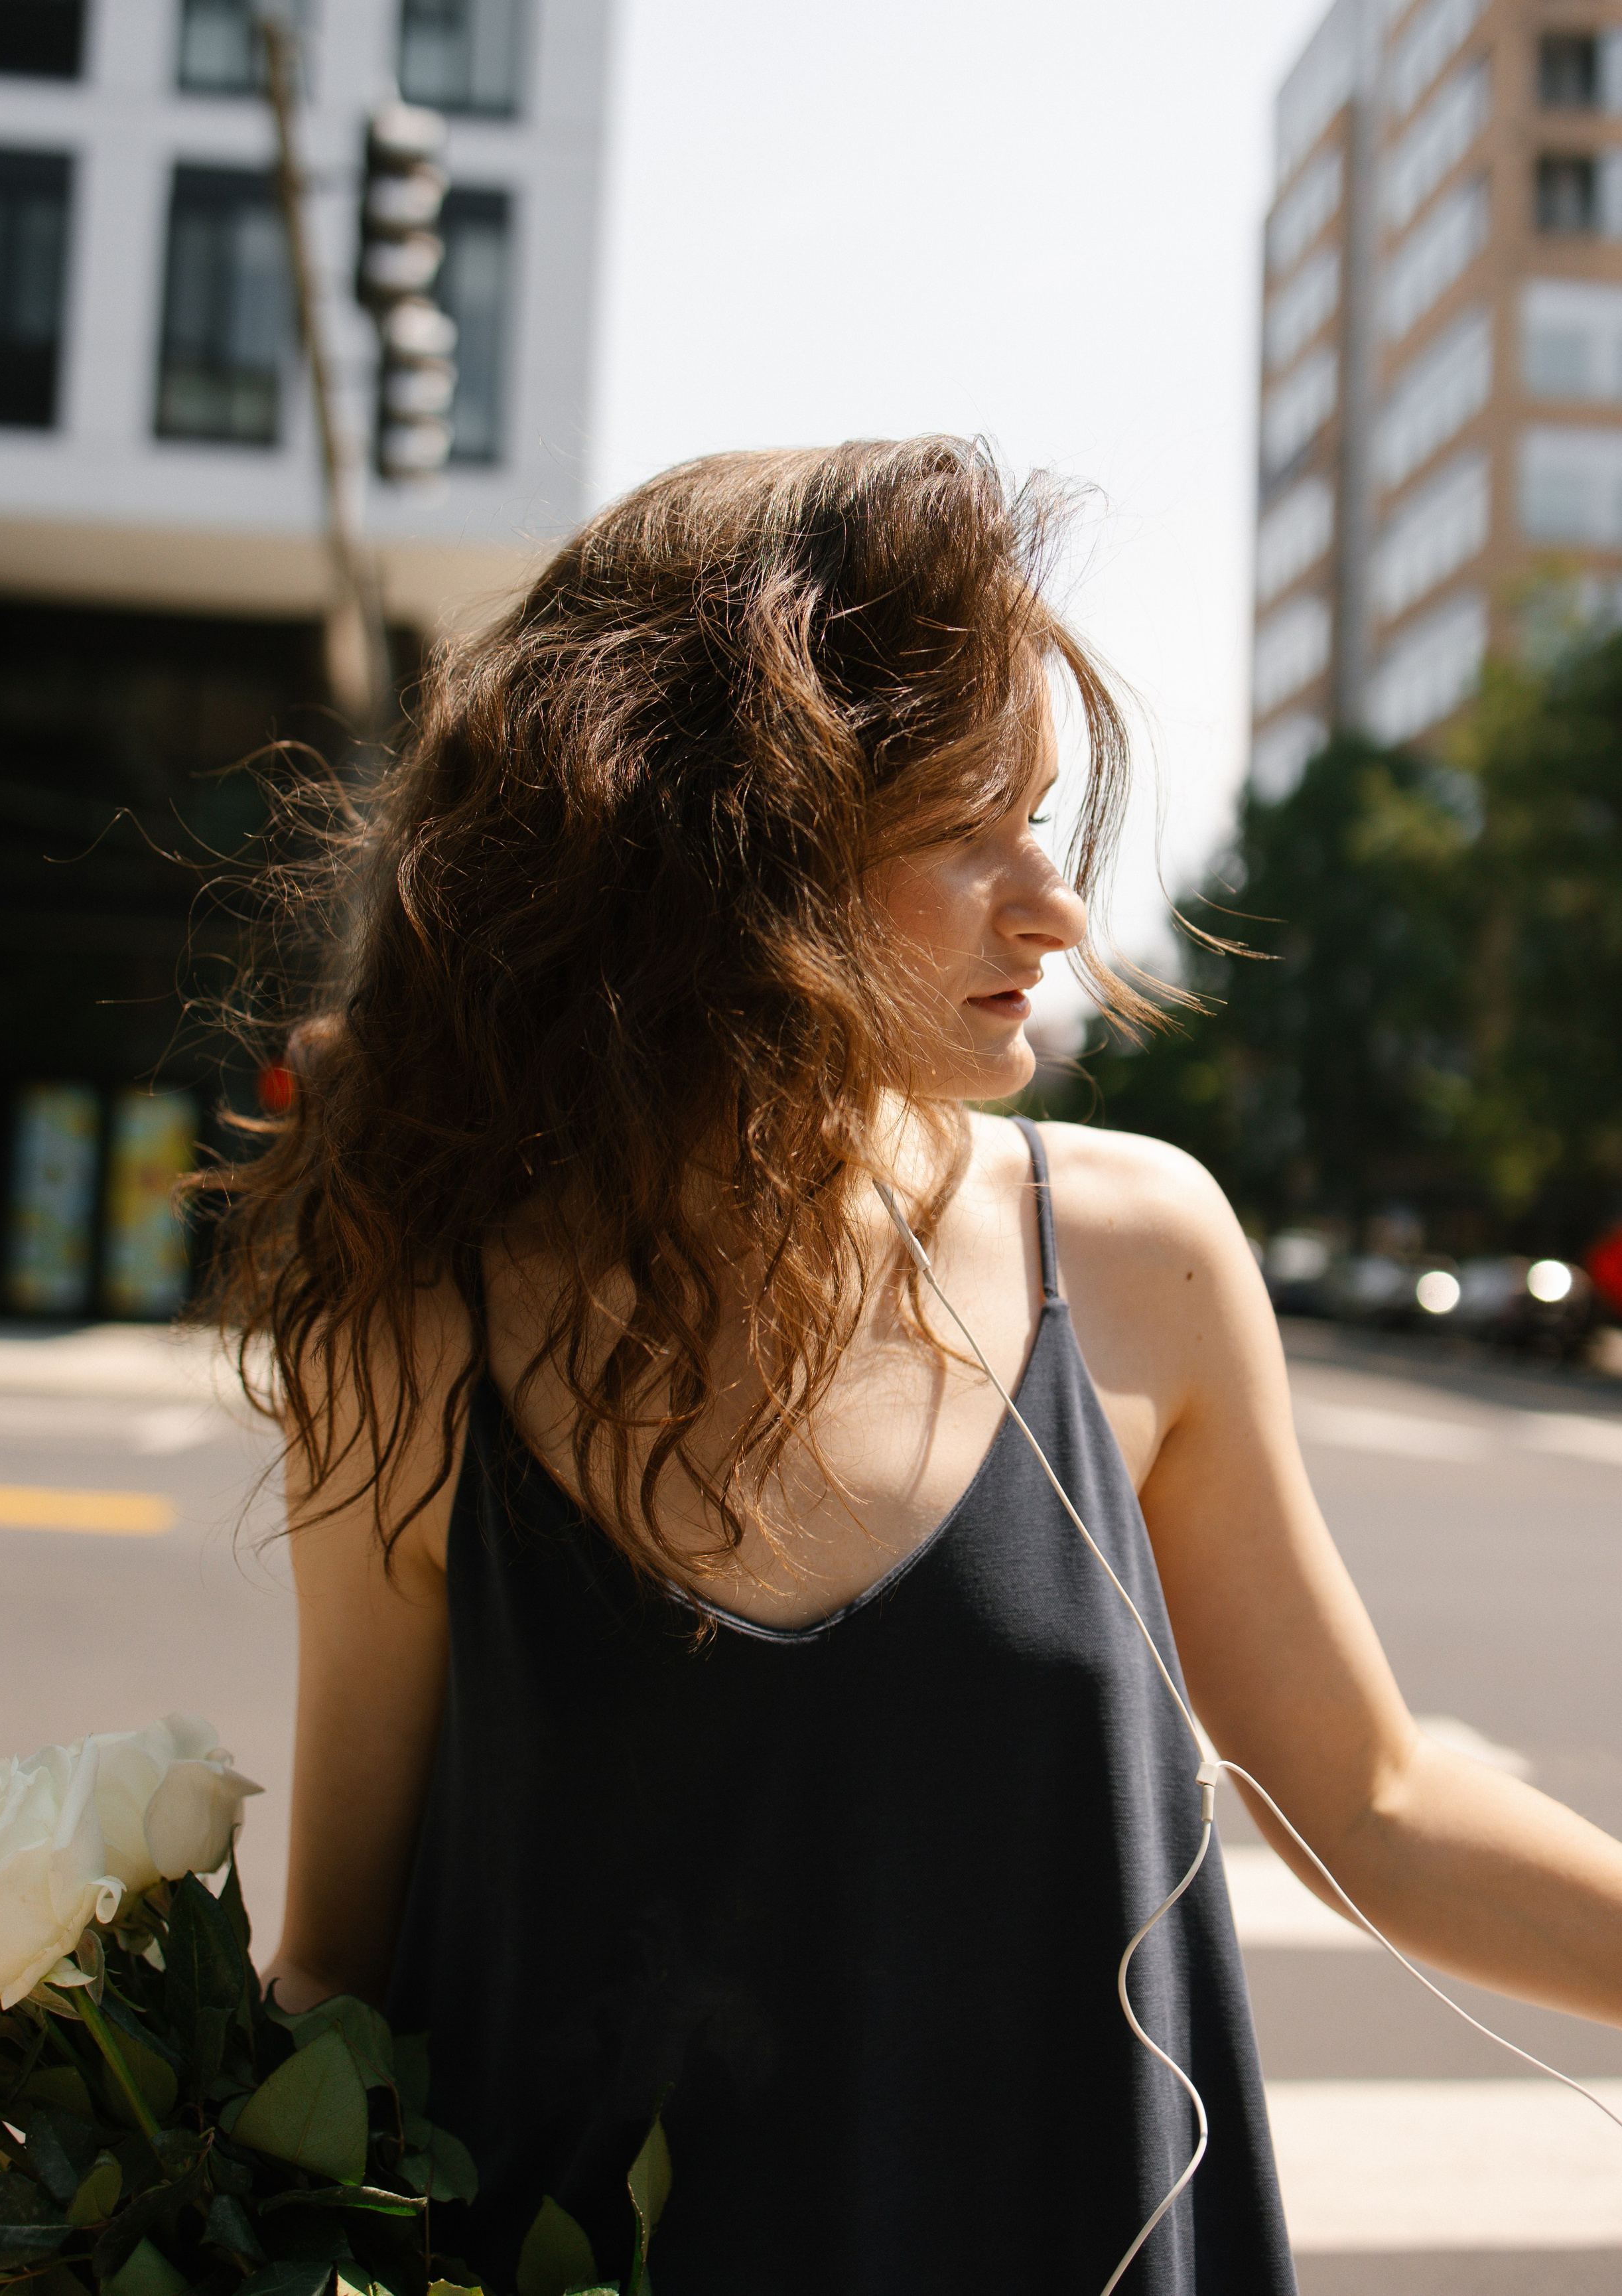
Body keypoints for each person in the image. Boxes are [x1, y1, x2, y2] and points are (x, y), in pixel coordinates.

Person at [214, 440, 1622, 2295]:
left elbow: (1370, 1807)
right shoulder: (419, 1335)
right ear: (716, 848)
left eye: (1045, 817)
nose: (1057, 906)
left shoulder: (1132, 1254)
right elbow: (342, 1972)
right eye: (968, 826)